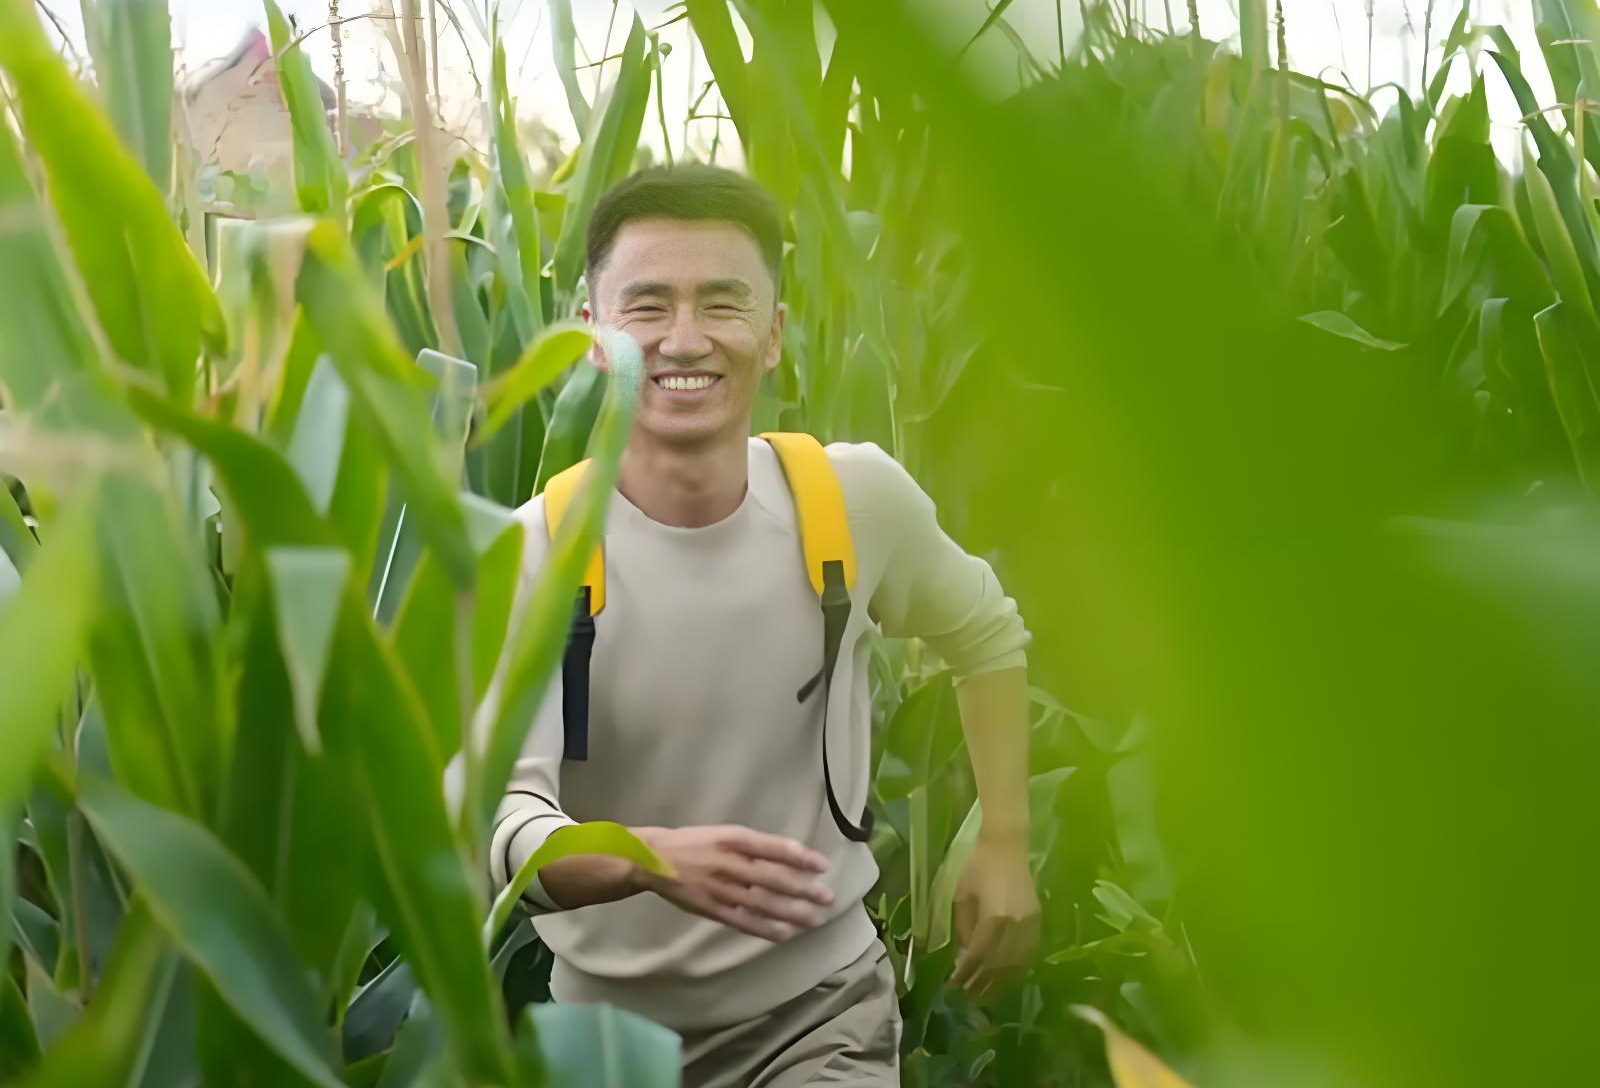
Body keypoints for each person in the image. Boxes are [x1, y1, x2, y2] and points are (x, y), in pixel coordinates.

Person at [489, 163, 1039, 1087]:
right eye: (648, 306)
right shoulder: (534, 554)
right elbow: (507, 824)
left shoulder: (850, 502)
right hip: (609, 1044)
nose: (685, 339)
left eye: (723, 303)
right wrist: (645, 859)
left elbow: (987, 635)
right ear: (592, 338)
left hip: (821, 1015)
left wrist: (1005, 841)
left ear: (775, 334)